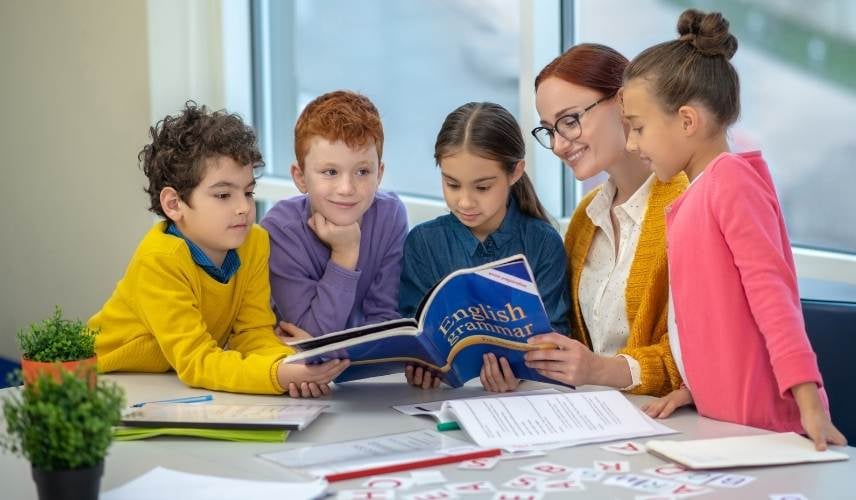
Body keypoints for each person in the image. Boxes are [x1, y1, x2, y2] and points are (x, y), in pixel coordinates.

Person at [620, 9, 846, 450]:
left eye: (638, 128)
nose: (631, 144)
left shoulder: (731, 184)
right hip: (726, 425)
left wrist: (810, 406)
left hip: (768, 431)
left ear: (687, 121)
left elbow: (773, 301)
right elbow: (719, 322)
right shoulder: (702, 189)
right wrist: (695, 388)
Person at [90, 102, 347, 397]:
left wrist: (291, 364)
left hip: (164, 383)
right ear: (174, 204)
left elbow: (252, 333)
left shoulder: (254, 244)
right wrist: (276, 376)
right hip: (104, 383)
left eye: (248, 192)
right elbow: (197, 361)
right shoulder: (159, 261)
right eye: (224, 195)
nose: (243, 208)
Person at [520, 43, 688, 395]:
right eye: (549, 130)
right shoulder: (586, 218)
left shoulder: (685, 205)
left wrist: (600, 369)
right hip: (597, 418)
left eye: (570, 121)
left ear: (623, 102)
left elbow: (697, 359)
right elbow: (576, 350)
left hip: (672, 423)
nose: (558, 146)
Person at [399, 102, 570, 390]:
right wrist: (417, 363)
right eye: (452, 184)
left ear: (515, 173)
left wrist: (520, 373)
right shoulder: (423, 242)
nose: (465, 202)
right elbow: (409, 328)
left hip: (526, 400)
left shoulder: (542, 242)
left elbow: (558, 337)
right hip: (437, 400)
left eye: (482, 188)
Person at [260, 90, 407, 338]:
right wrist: (345, 253)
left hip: (350, 370)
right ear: (300, 177)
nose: (347, 189)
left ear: (379, 174)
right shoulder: (280, 231)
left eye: (362, 171)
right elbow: (312, 335)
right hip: (298, 372)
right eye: (330, 172)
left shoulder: (390, 216)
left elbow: (385, 323)